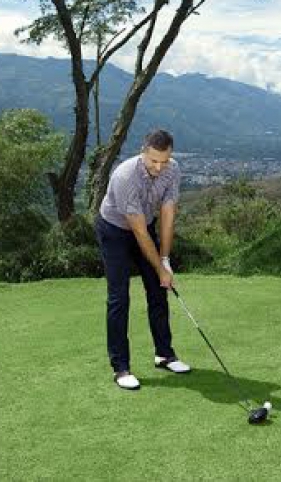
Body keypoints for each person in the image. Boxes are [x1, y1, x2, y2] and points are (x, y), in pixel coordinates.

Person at [94, 129, 190, 390]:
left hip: (144, 226)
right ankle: (121, 368)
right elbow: (136, 230)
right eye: (153, 161)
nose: (159, 167)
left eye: (164, 160)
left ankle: (164, 354)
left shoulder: (172, 169)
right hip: (114, 230)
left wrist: (165, 260)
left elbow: (168, 213)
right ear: (143, 152)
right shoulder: (125, 176)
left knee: (159, 291)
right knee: (119, 297)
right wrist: (159, 268)